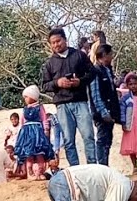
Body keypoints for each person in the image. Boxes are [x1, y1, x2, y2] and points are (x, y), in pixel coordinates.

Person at [41, 28, 97, 166]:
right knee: (68, 140)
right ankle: (75, 169)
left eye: (58, 41)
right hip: (62, 105)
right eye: (52, 43)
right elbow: (44, 85)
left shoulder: (79, 55)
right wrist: (57, 83)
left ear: (65, 39)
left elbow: (92, 73)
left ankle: (92, 165)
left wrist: (80, 81)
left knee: (88, 136)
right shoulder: (49, 63)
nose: (56, 45)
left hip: (81, 102)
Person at [13, 85, 55, 179]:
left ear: (32, 97)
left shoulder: (40, 107)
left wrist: (46, 130)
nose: (25, 99)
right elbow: (22, 122)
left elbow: (44, 119)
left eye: (26, 97)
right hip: (27, 134)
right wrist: (21, 134)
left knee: (40, 153)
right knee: (29, 154)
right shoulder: (25, 109)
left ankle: (40, 173)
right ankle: (30, 173)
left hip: (38, 133)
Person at [89, 44, 121, 166]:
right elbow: (95, 95)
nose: (112, 57)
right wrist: (103, 112)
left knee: (108, 139)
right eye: (110, 54)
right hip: (102, 113)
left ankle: (105, 165)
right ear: (104, 55)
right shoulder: (95, 71)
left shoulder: (107, 70)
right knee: (102, 139)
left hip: (110, 111)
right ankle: (102, 166)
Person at [118, 74, 137, 174]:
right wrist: (123, 123)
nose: (133, 86)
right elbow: (122, 111)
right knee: (131, 147)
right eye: (130, 84)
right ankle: (134, 166)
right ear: (127, 86)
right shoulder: (125, 99)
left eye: (135, 84)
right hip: (130, 126)